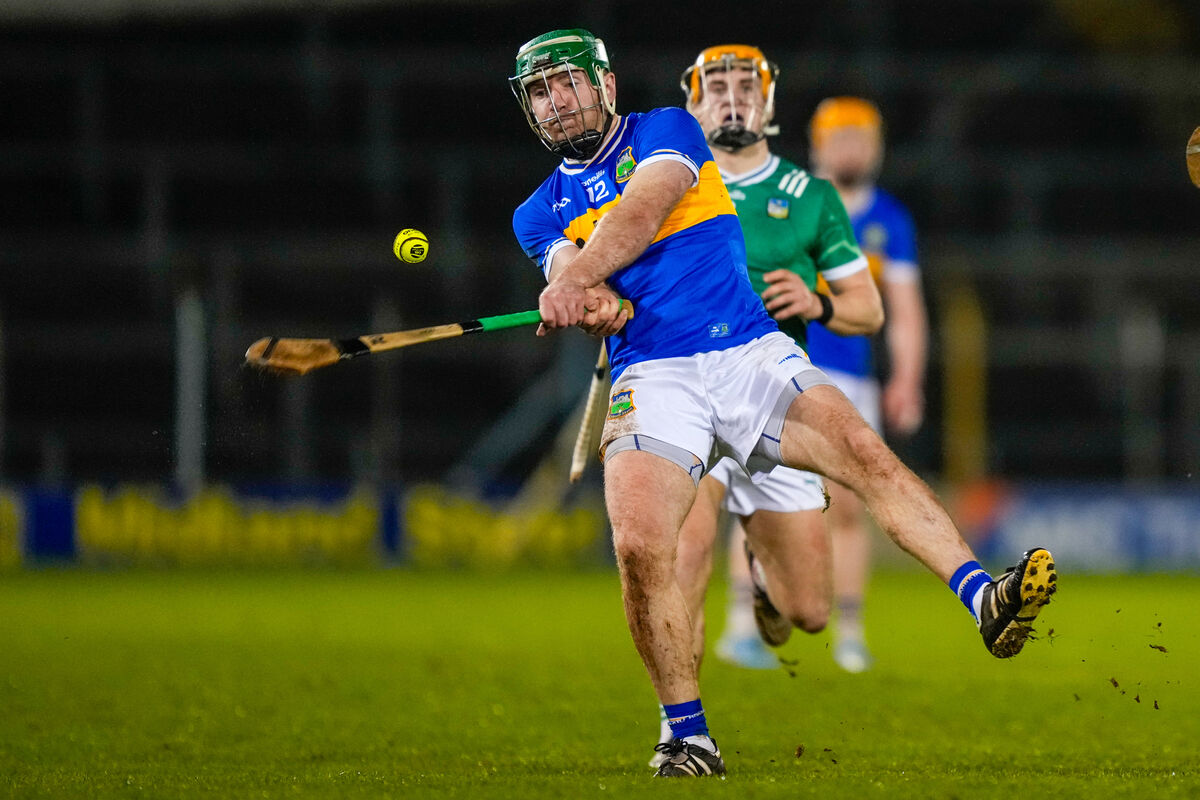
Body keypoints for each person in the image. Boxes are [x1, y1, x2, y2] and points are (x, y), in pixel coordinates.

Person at [509, 29, 1057, 779]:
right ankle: (686, 735)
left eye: (567, 82)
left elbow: (639, 215)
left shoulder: (666, 130)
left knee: (859, 470)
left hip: (746, 351)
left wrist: (577, 283)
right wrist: (588, 299)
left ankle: (983, 598)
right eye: (540, 91)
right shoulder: (536, 211)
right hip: (656, 375)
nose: (556, 101)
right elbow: (573, 267)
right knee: (642, 546)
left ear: (604, 84)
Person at [805, 96, 930, 673]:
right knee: (760, 499)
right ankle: (745, 620)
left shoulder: (892, 220)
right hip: (780, 368)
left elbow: (906, 310)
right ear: (818, 145)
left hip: (854, 381)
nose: (851, 148)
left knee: (852, 509)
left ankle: (849, 627)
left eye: (861, 138)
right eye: (841, 137)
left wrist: (906, 380)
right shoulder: (790, 204)